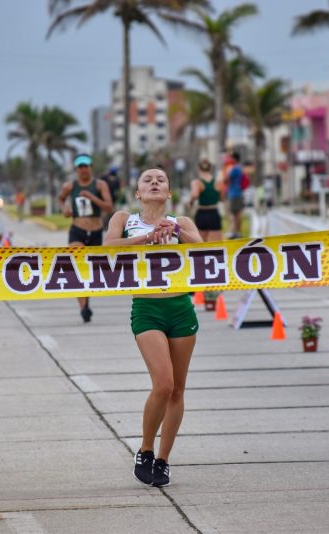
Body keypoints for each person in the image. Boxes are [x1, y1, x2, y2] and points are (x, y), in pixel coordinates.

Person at [104, 166, 203, 488]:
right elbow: (108, 247)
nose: (155, 182)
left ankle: (163, 459)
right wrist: (147, 238)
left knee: (177, 390)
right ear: (138, 193)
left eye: (161, 179)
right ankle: (145, 449)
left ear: (169, 193)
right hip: (147, 308)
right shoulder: (124, 219)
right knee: (163, 383)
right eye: (147, 179)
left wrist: (177, 231)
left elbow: (205, 251)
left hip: (181, 308)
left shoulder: (181, 222)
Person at [58, 154, 113, 323]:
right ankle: (83, 308)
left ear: (91, 167)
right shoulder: (70, 186)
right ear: (76, 169)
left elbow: (109, 207)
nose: (83, 169)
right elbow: (61, 198)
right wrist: (65, 210)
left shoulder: (100, 185)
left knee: (90, 271)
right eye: (80, 166)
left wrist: (92, 197)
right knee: (78, 267)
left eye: (86, 166)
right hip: (77, 230)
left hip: (96, 231)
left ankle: (86, 301)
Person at [188, 159, 224, 242]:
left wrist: (191, 202)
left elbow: (195, 195)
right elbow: (222, 198)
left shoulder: (197, 182)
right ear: (210, 168)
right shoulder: (217, 182)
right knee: (217, 243)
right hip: (214, 213)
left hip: (202, 213)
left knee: (201, 243)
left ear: (198, 168)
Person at [224, 152, 245, 238]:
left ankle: (236, 232)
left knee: (235, 213)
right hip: (238, 192)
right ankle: (237, 231)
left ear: (234, 159)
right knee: (238, 213)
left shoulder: (234, 168)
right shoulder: (240, 167)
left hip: (234, 193)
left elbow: (226, 179)